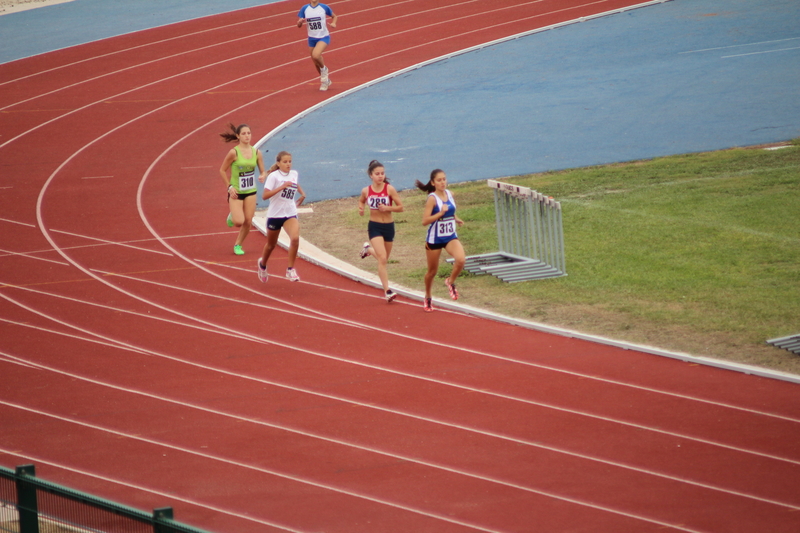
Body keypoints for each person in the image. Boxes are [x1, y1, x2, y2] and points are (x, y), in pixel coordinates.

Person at [416, 169, 466, 312]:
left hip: (450, 236)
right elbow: (425, 221)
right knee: (432, 272)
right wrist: (440, 213)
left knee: (461, 260)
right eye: (439, 180)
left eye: (444, 179)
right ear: (433, 183)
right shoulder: (432, 198)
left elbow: (451, 210)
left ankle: (450, 282)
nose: (442, 182)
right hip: (435, 238)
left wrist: (455, 218)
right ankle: (428, 296)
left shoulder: (450, 194)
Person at [358, 160, 404, 303]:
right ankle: (387, 291)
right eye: (377, 174)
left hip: (389, 227)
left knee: (383, 259)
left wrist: (388, 208)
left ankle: (367, 249)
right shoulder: (366, 190)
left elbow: (400, 207)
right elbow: (361, 200)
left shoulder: (389, 189)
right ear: (371, 175)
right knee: (382, 258)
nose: (380, 176)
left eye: (382, 173)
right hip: (375, 226)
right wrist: (361, 208)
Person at [257, 151, 306, 283]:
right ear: (278, 163)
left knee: (295, 239)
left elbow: (295, 183)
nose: (288, 164)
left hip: (290, 213)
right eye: (285, 162)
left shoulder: (294, 173)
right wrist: (281, 187)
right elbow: (265, 196)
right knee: (271, 245)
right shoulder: (274, 176)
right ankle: (262, 265)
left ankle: (290, 269)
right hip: (275, 215)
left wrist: (302, 193)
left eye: (290, 161)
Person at [219, 123, 265, 256]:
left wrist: (262, 176)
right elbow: (222, 170)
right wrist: (229, 187)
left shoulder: (256, 152)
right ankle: (233, 214)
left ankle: (238, 244)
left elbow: (263, 171)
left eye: (249, 133)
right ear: (238, 136)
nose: (247, 136)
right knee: (239, 222)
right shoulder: (234, 152)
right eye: (244, 134)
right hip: (236, 191)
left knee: (248, 221)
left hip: (250, 191)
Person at [297, 1, 338, 91]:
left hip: (323, 37)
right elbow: (299, 25)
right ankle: (325, 81)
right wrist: (300, 22)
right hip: (311, 38)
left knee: (316, 55)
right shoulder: (305, 8)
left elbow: (334, 16)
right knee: (315, 61)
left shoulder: (324, 7)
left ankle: (324, 69)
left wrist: (334, 23)